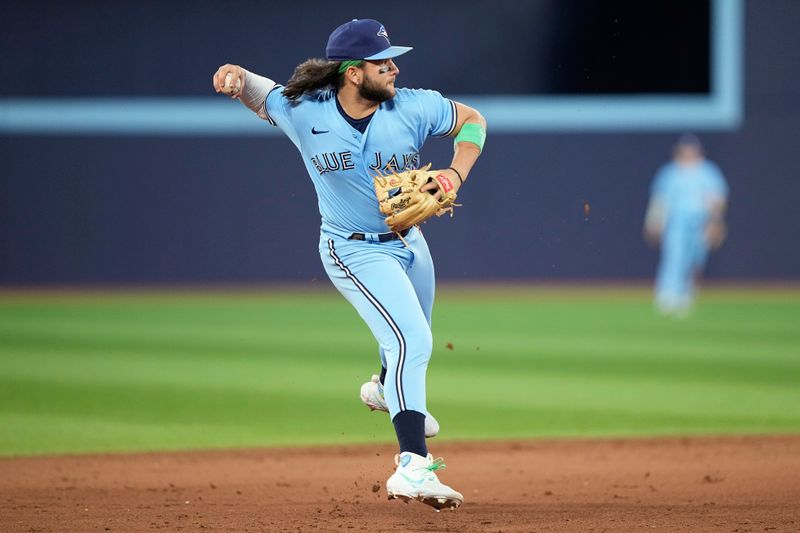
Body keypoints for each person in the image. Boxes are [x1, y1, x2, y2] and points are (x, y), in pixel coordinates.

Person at [212, 18, 486, 510]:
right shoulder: (303, 109)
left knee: (412, 335)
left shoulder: (414, 105)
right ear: (354, 72)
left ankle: (385, 388)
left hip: (409, 241)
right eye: (383, 62)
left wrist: (454, 173)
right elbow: (261, 92)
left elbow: (473, 121)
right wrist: (234, 77)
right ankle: (413, 468)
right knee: (412, 340)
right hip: (352, 247)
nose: (395, 68)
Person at [643, 134, 729, 316]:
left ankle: (686, 295)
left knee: (695, 259)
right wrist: (653, 222)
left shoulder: (708, 172)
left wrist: (716, 222)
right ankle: (667, 294)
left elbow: (717, 200)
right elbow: (660, 200)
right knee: (674, 256)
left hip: (700, 222)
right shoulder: (670, 172)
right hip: (676, 222)